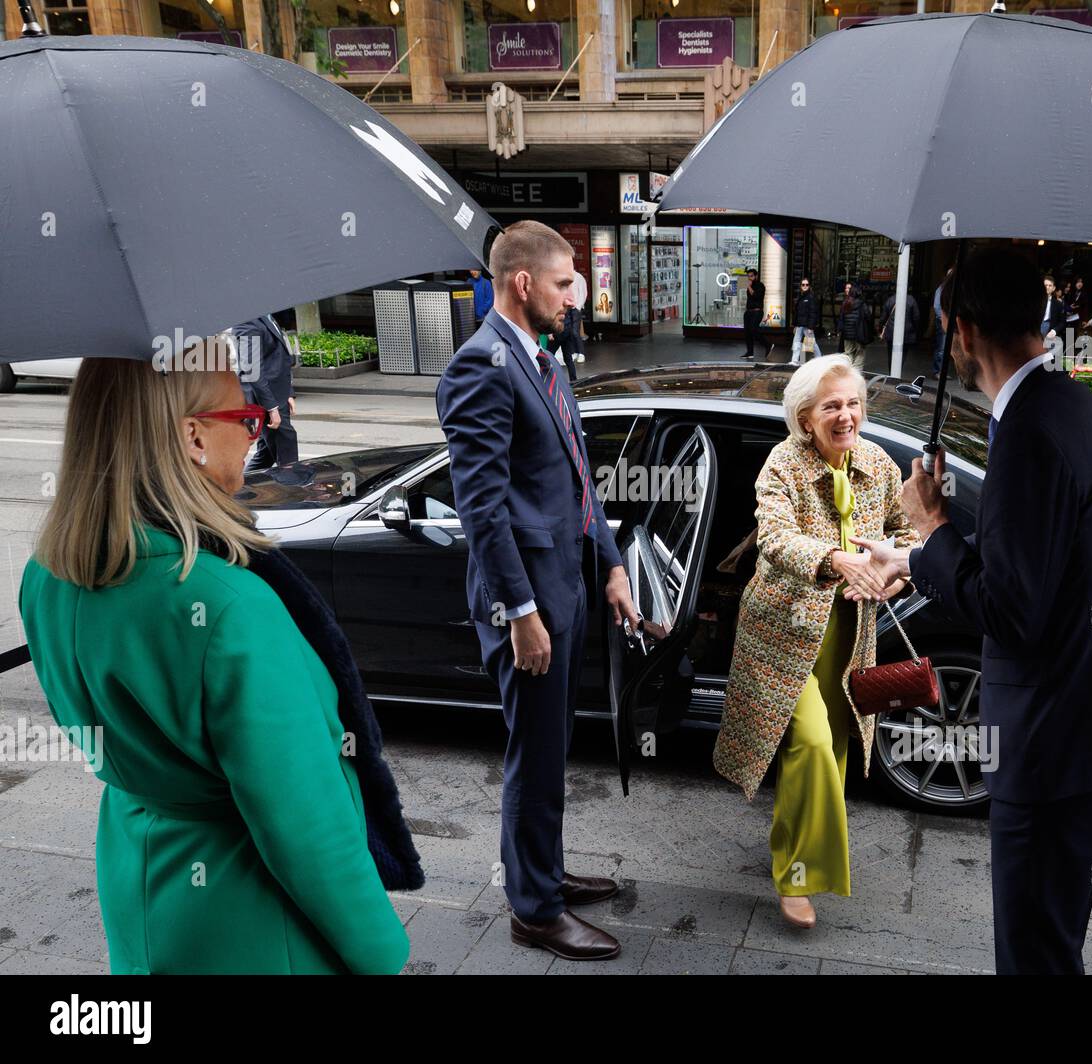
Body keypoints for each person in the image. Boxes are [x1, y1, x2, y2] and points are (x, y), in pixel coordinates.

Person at [17, 353, 414, 974]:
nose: (257, 434)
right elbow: (304, 822)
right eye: (247, 417)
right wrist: (382, 951)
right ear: (192, 436)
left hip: (141, 881)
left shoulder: (47, 575)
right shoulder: (229, 605)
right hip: (255, 923)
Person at [858, 248, 1092, 974]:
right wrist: (913, 561)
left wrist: (933, 526)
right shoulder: (1078, 407)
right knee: (1052, 937)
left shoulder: (1028, 434)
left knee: (1034, 953)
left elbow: (1012, 610)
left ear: (962, 332)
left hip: (1058, 738)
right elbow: (1045, 564)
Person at [436, 221, 637, 961]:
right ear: (523, 283)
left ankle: (543, 872)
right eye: (562, 285)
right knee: (534, 752)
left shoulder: (545, 359)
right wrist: (519, 613)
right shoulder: (481, 367)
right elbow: (481, 509)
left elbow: (581, 477)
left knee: (553, 749)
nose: (572, 299)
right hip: (525, 602)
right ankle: (533, 909)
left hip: (569, 585)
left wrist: (611, 564)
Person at [713, 355, 919, 930]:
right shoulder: (782, 462)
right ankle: (801, 876)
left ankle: (794, 845)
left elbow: (905, 538)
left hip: (850, 633)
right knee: (808, 744)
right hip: (783, 628)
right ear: (806, 418)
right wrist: (837, 560)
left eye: (853, 403)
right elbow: (775, 539)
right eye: (832, 406)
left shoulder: (878, 464)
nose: (846, 415)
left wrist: (892, 576)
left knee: (835, 747)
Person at [232, 313, 298, 471]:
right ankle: (295, 488)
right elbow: (252, 371)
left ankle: (242, 491)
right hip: (267, 398)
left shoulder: (267, 316)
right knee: (286, 449)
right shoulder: (247, 322)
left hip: (277, 394)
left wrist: (288, 392)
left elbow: (279, 359)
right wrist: (271, 407)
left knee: (267, 454)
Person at [551, 269, 588, 384]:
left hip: (561, 330)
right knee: (567, 357)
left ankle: (547, 378)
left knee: (549, 355)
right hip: (565, 328)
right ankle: (574, 380)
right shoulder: (568, 288)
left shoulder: (562, 289)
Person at [837, 283, 871, 368]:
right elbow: (868, 317)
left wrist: (840, 330)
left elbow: (842, 318)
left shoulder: (846, 303)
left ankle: (848, 371)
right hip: (859, 334)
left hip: (847, 334)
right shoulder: (862, 304)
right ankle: (856, 372)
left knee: (848, 353)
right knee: (860, 353)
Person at [790, 277, 822, 363]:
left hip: (807, 325)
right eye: (803, 284)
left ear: (809, 286)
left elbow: (813, 313)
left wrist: (811, 327)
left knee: (811, 343)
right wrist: (795, 325)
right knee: (796, 341)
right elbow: (797, 312)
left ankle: (819, 358)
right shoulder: (801, 297)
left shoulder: (811, 297)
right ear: (800, 286)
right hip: (800, 325)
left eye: (806, 285)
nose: (805, 286)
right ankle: (795, 360)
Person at [881, 290, 919, 358]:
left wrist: (880, 328)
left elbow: (883, 317)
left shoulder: (890, 299)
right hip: (906, 332)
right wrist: (914, 329)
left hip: (891, 332)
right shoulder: (911, 300)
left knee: (890, 355)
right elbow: (916, 317)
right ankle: (899, 367)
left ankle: (891, 368)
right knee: (903, 355)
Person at [742, 267, 767, 359]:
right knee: (747, 333)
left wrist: (749, 287)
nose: (749, 278)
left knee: (754, 330)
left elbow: (756, 296)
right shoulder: (750, 287)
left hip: (757, 312)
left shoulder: (760, 285)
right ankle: (750, 352)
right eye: (748, 276)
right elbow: (750, 299)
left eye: (751, 276)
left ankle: (767, 345)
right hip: (748, 312)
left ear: (756, 276)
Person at [1040, 275, 1066, 342]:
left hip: (1051, 329)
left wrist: (1055, 330)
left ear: (1054, 288)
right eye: (1045, 285)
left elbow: (1063, 322)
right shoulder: (1036, 302)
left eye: (1050, 285)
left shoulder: (1059, 304)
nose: (1047, 287)